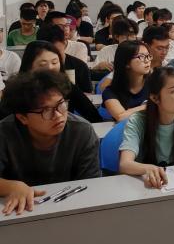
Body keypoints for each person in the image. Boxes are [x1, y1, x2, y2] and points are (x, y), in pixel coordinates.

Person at [0, 70, 100, 215]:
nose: (58, 115)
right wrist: (11, 187)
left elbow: (91, 184)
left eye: (61, 104)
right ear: (22, 118)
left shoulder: (82, 131)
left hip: (69, 207)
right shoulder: (4, 133)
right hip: (19, 211)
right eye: (46, 111)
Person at [9, 41, 101, 123]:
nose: (50, 68)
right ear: (29, 66)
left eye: (54, 62)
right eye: (43, 64)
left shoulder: (66, 85)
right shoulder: (18, 91)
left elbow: (92, 115)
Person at [102, 41, 151, 121]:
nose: (147, 60)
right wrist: (150, 106)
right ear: (126, 63)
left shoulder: (156, 84)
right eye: (141, 56)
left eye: (148, 56)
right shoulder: (110, 92)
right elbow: (121, 117)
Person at [36, 25, 93, 94]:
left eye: (57, 53)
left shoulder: (80, 66)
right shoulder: (33, 67)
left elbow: (88, 94)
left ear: (64, 43)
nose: (50, 67)